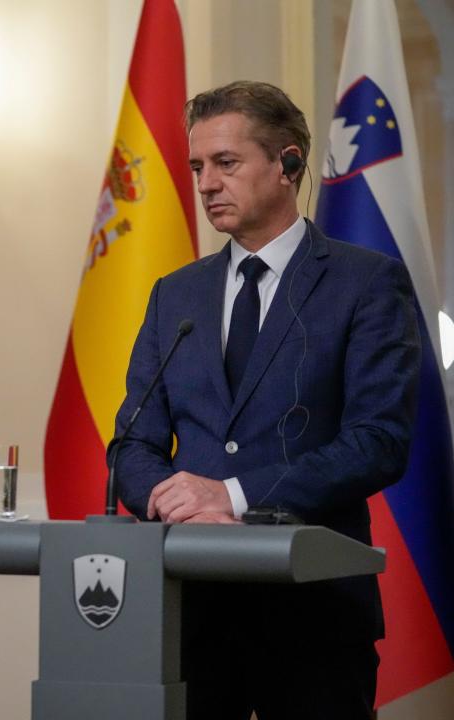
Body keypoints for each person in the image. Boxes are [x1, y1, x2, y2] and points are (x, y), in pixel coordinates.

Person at [112, 80, 420, 719]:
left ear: (289, 164)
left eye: (226, 163)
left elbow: (377, 443)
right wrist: (172, 502)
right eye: (198, 166)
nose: (205, 184)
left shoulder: (365, 283)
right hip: (190, 612)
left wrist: (231, 496)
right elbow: (133, 443)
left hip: (314, 616)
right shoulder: (176, 295)